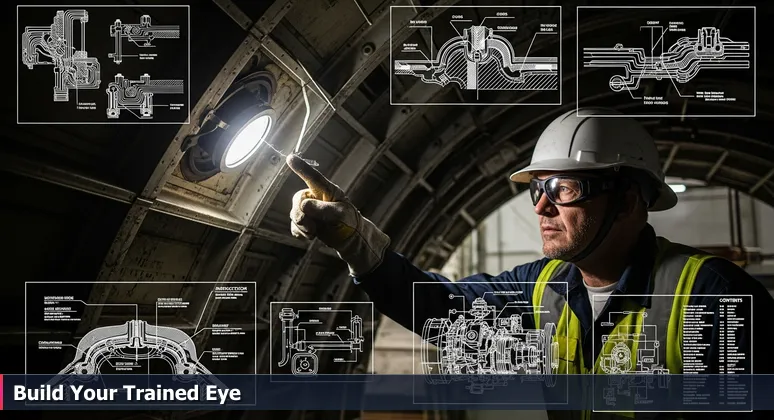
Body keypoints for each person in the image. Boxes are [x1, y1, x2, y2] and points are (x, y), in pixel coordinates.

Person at [287, 107, 773, 417]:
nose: (541, 207)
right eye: (539, 188)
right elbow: (436, 307)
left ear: (626, 201)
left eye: (564, 189)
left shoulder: (711, 296)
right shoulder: (546, 287)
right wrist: (353, 240)